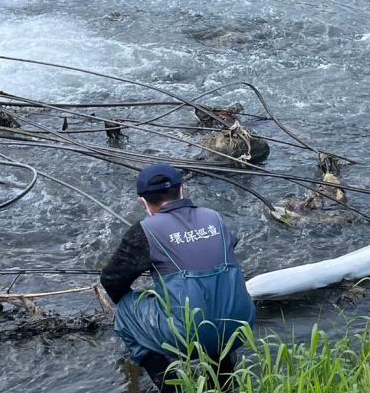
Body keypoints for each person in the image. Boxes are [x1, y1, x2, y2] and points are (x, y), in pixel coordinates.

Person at [100, 164, 255, 392]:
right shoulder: (214, 218)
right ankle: (223, 381)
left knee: (125, 310)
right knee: (215, 298)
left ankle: (172, 384)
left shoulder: (145, 230)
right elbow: (227, 246)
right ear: (183, 189)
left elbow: (112, 281)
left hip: (190, 332)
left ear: (142, 202)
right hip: (241, 325)